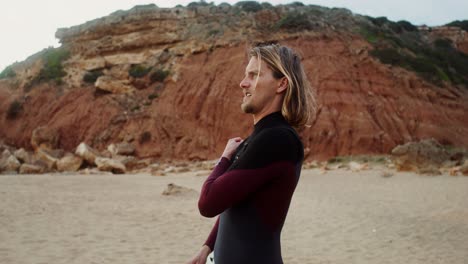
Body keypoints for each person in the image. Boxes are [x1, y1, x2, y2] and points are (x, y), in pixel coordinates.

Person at [188, 43, 316, 264]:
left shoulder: (277, 139)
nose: (243, 83)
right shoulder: (260, 137)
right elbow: (234, 200)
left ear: (281, 84)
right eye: (245, 75)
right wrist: (208, 247)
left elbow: (208, 203)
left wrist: (224, 159)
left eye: (254, 75)